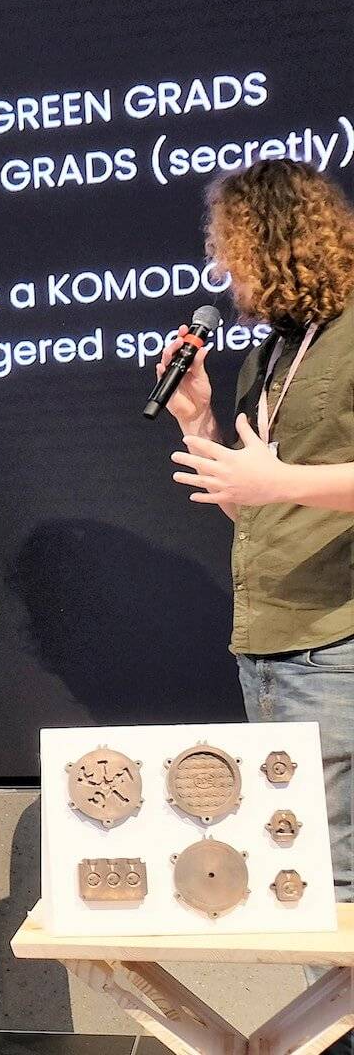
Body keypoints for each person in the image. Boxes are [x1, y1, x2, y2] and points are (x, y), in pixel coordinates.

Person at [159, 160, 354, 1047]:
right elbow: (256, 498)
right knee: (302, 877)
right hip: (267, 644)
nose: (221, 267)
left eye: (228, 246)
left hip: (335, 637)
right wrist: (198, 421)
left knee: (337, 881)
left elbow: (286, 482)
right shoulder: (275, 348)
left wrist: (281, 476)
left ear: (271, 237)